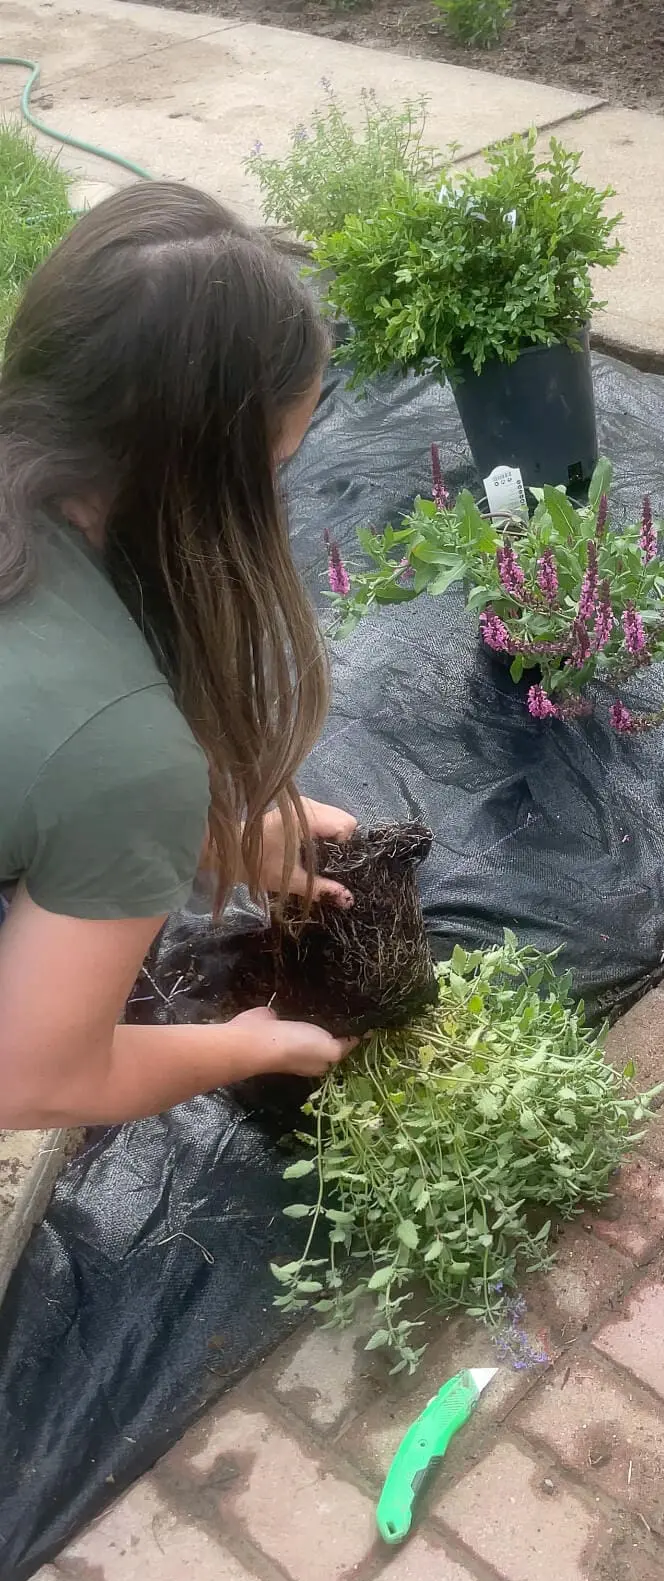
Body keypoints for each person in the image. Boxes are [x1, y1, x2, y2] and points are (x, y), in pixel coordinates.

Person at [0, 182, 361, 1131]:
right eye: (276, 467)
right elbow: (30, 1078)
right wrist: (252, 1043)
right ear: (204, 472)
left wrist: (217, 838)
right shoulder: (122, 746)